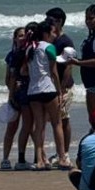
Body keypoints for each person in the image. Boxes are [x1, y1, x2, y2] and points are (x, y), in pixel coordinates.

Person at [22, 20, 68, 171]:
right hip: (48, 89)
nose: (55, 35)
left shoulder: (30, 48)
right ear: (46, 33)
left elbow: (25, 71)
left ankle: (40, 159)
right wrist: (60, 91)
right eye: (53, 32)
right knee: (56, 123)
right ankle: (62, 158)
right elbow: (53, 72)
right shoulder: (49, 47)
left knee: (39, 125)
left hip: (33, 91)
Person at [1, 26, 35, 170]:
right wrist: (12, 93)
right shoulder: (12, 55)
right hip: (17, 95)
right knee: (12, 127)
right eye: (19, 35)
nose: (22, 38)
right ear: (15, 38)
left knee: (31, 127)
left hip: (29, 93)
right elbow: (8, 78)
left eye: (24, 35)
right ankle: (5, 158)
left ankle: (37, 156)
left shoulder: (30, 52)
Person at [45, 7, 76, 164]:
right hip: (52, 85)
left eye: (50, 20)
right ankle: (60, 152)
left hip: (64, 86)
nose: (48, 23)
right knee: (56, 119)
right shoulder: (51, 39)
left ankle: (65, 153)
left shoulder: (65, 41)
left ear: (59, 22)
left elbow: (69, 67)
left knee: (63, 118)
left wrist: (62, 88)